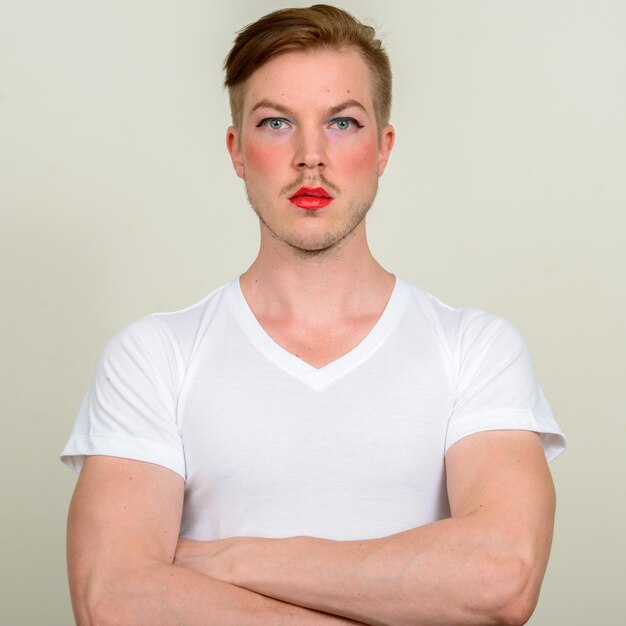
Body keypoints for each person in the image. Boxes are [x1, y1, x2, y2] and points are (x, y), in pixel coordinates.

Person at [61, 5, 566, 625]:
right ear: (236, 150)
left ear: (383, 148)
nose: (310, 156)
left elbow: (500, 578)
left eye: (342, 123)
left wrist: (225, 560)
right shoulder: (153, 357)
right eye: (275, 122)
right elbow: (114, 602)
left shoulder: (475, 350)